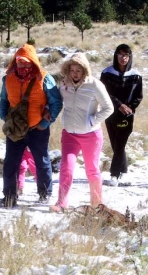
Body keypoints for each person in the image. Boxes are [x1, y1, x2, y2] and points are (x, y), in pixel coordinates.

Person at [0, 44, 63, 207]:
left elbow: (56, 102)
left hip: (38, 129)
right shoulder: (8, 78)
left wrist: (45, 122)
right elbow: (4, 100)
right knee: (10, 162)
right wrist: (4, 117)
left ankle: (45, 193)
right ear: (15, 61)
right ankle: (9, 196)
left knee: (41, 161)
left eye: (27, 62)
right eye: (20, 62)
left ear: (34, 62)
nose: (24, 65)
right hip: (15, 129)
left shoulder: (44, 78)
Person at [50, 53, 114, 212]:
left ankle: (96, 205)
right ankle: (61, 203)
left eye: (79, 70)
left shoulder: (95, 85)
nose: (75, 73)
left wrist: (92, 121)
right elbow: (56, 102)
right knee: (66, 168)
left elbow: (109, 108)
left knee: (92, 170)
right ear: (68, 70)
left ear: (85, 70)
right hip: (69, 135)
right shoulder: (64, 85)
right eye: (72, 70)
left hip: (91, 135)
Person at [100, 44, 143, 187]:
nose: (123, 58)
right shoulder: (107, 73)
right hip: (110, 113)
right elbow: (105, 93)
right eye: (120, 54)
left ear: (130, 57)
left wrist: (129, 108)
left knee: (121, 144)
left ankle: (114, 175)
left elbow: (138, 96)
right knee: (115, 144)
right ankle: (124, 172)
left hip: (127, 115)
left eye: (126, 55)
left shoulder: (136, 75)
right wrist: (119, 105)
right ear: (116, 55)